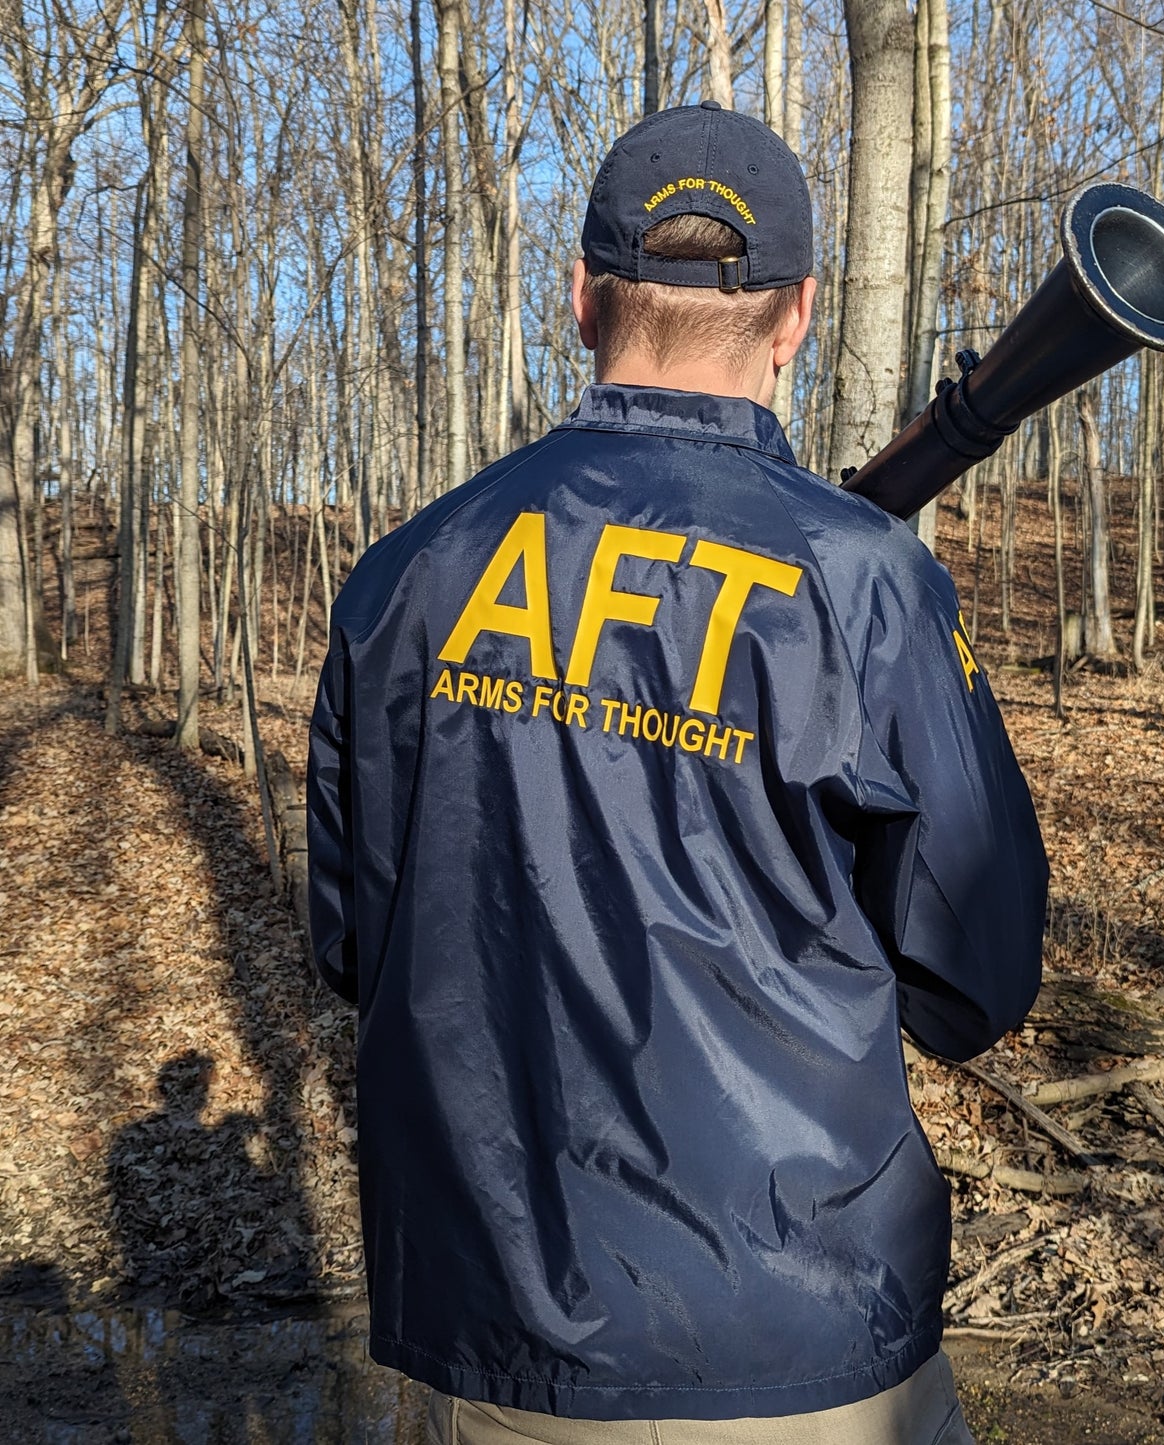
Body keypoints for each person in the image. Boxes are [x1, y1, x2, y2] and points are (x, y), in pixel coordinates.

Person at [308, 101, 1047, 1445]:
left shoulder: (404, 578)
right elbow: (974, 980)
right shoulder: (865, 587)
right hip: (801, 1345)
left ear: (580, 297)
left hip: (484, 1344)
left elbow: (362, 947)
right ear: (799, 312)